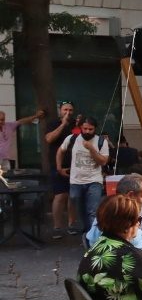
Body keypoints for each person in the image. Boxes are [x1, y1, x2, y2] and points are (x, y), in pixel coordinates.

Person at [57, 116, 110, 234]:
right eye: (85, 129)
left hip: (94, 180)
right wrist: (59, 167)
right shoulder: (72, 138)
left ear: (95, 129)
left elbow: (103, 161)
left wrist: (91, 149)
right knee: (79, 208)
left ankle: (92, 237)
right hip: (76, 181)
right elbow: (60, 151)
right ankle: (85, 231)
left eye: (90, 129)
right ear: (81, 127)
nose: (87, 131)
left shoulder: (101, 141)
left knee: (92, 211)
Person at [46, 100, 76, 237]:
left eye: (70, 110)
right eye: (65, 110)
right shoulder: (53, 123)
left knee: (72, 196)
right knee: (60, 195)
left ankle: (72, 224)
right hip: (57, 165)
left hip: (74, 165)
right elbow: (49, 139)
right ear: (60, 111)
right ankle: (57, 227)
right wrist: (63, 124)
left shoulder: (76, 124)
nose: (68, 113)